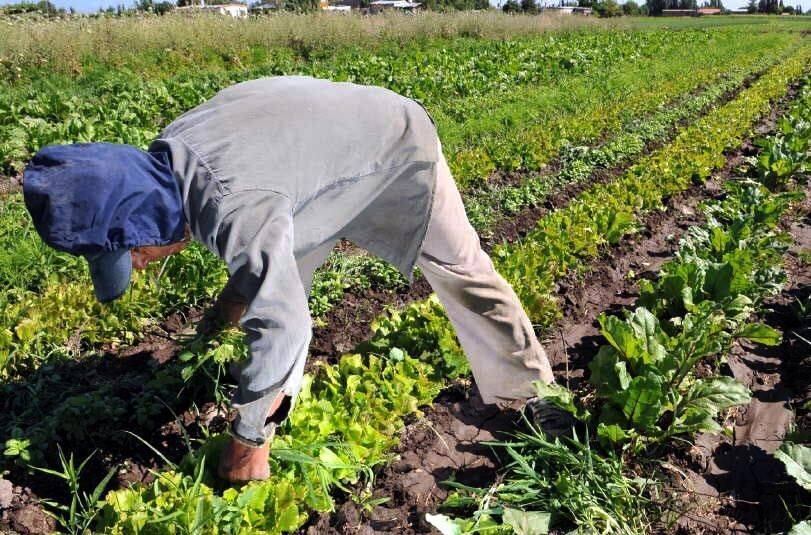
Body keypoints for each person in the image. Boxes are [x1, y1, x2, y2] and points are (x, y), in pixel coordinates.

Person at [22, 76, 569, 483]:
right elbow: (257, 251)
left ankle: (535, 394)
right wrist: (218, 322)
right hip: (314, 169)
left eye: (133, 253)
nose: (139, 265)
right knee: (279, 278)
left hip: (393, 143)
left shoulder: (235, 204)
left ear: (148, 219)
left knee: (461, 270)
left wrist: (245, 448)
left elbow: (280, 313)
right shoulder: (174, 154)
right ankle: (278, 397)